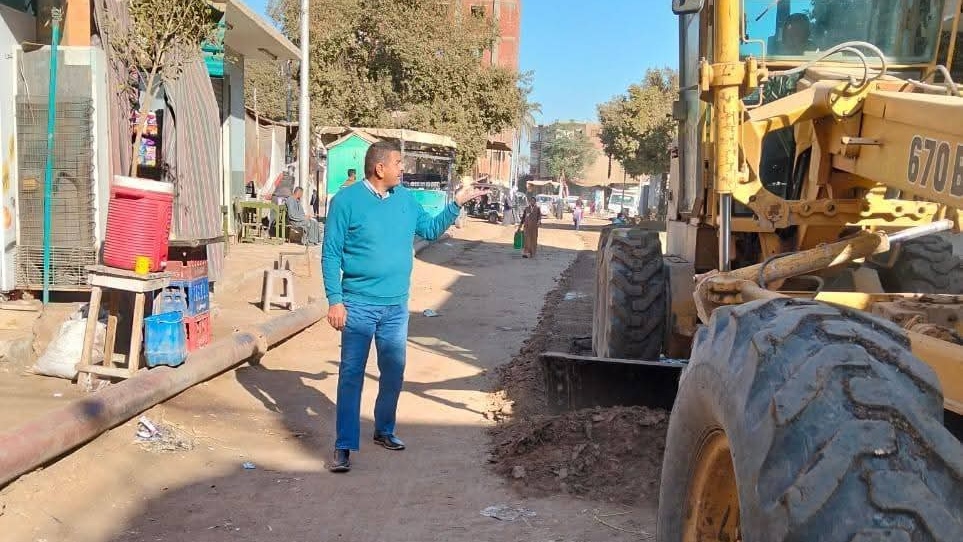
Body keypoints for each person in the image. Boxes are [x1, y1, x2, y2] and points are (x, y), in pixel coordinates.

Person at [321, 140, 487, 473]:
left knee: (394, 371)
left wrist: (456, 204)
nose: (403, 169)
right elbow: (331, 253)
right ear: (379, 168)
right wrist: (335, 300)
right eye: (398, 163)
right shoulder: (346, 202)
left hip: (396, 306)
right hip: (358, 304)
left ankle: (384, 429)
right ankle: (344, 444)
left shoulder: (405, 199)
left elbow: (430, 229)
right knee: (351, 374)